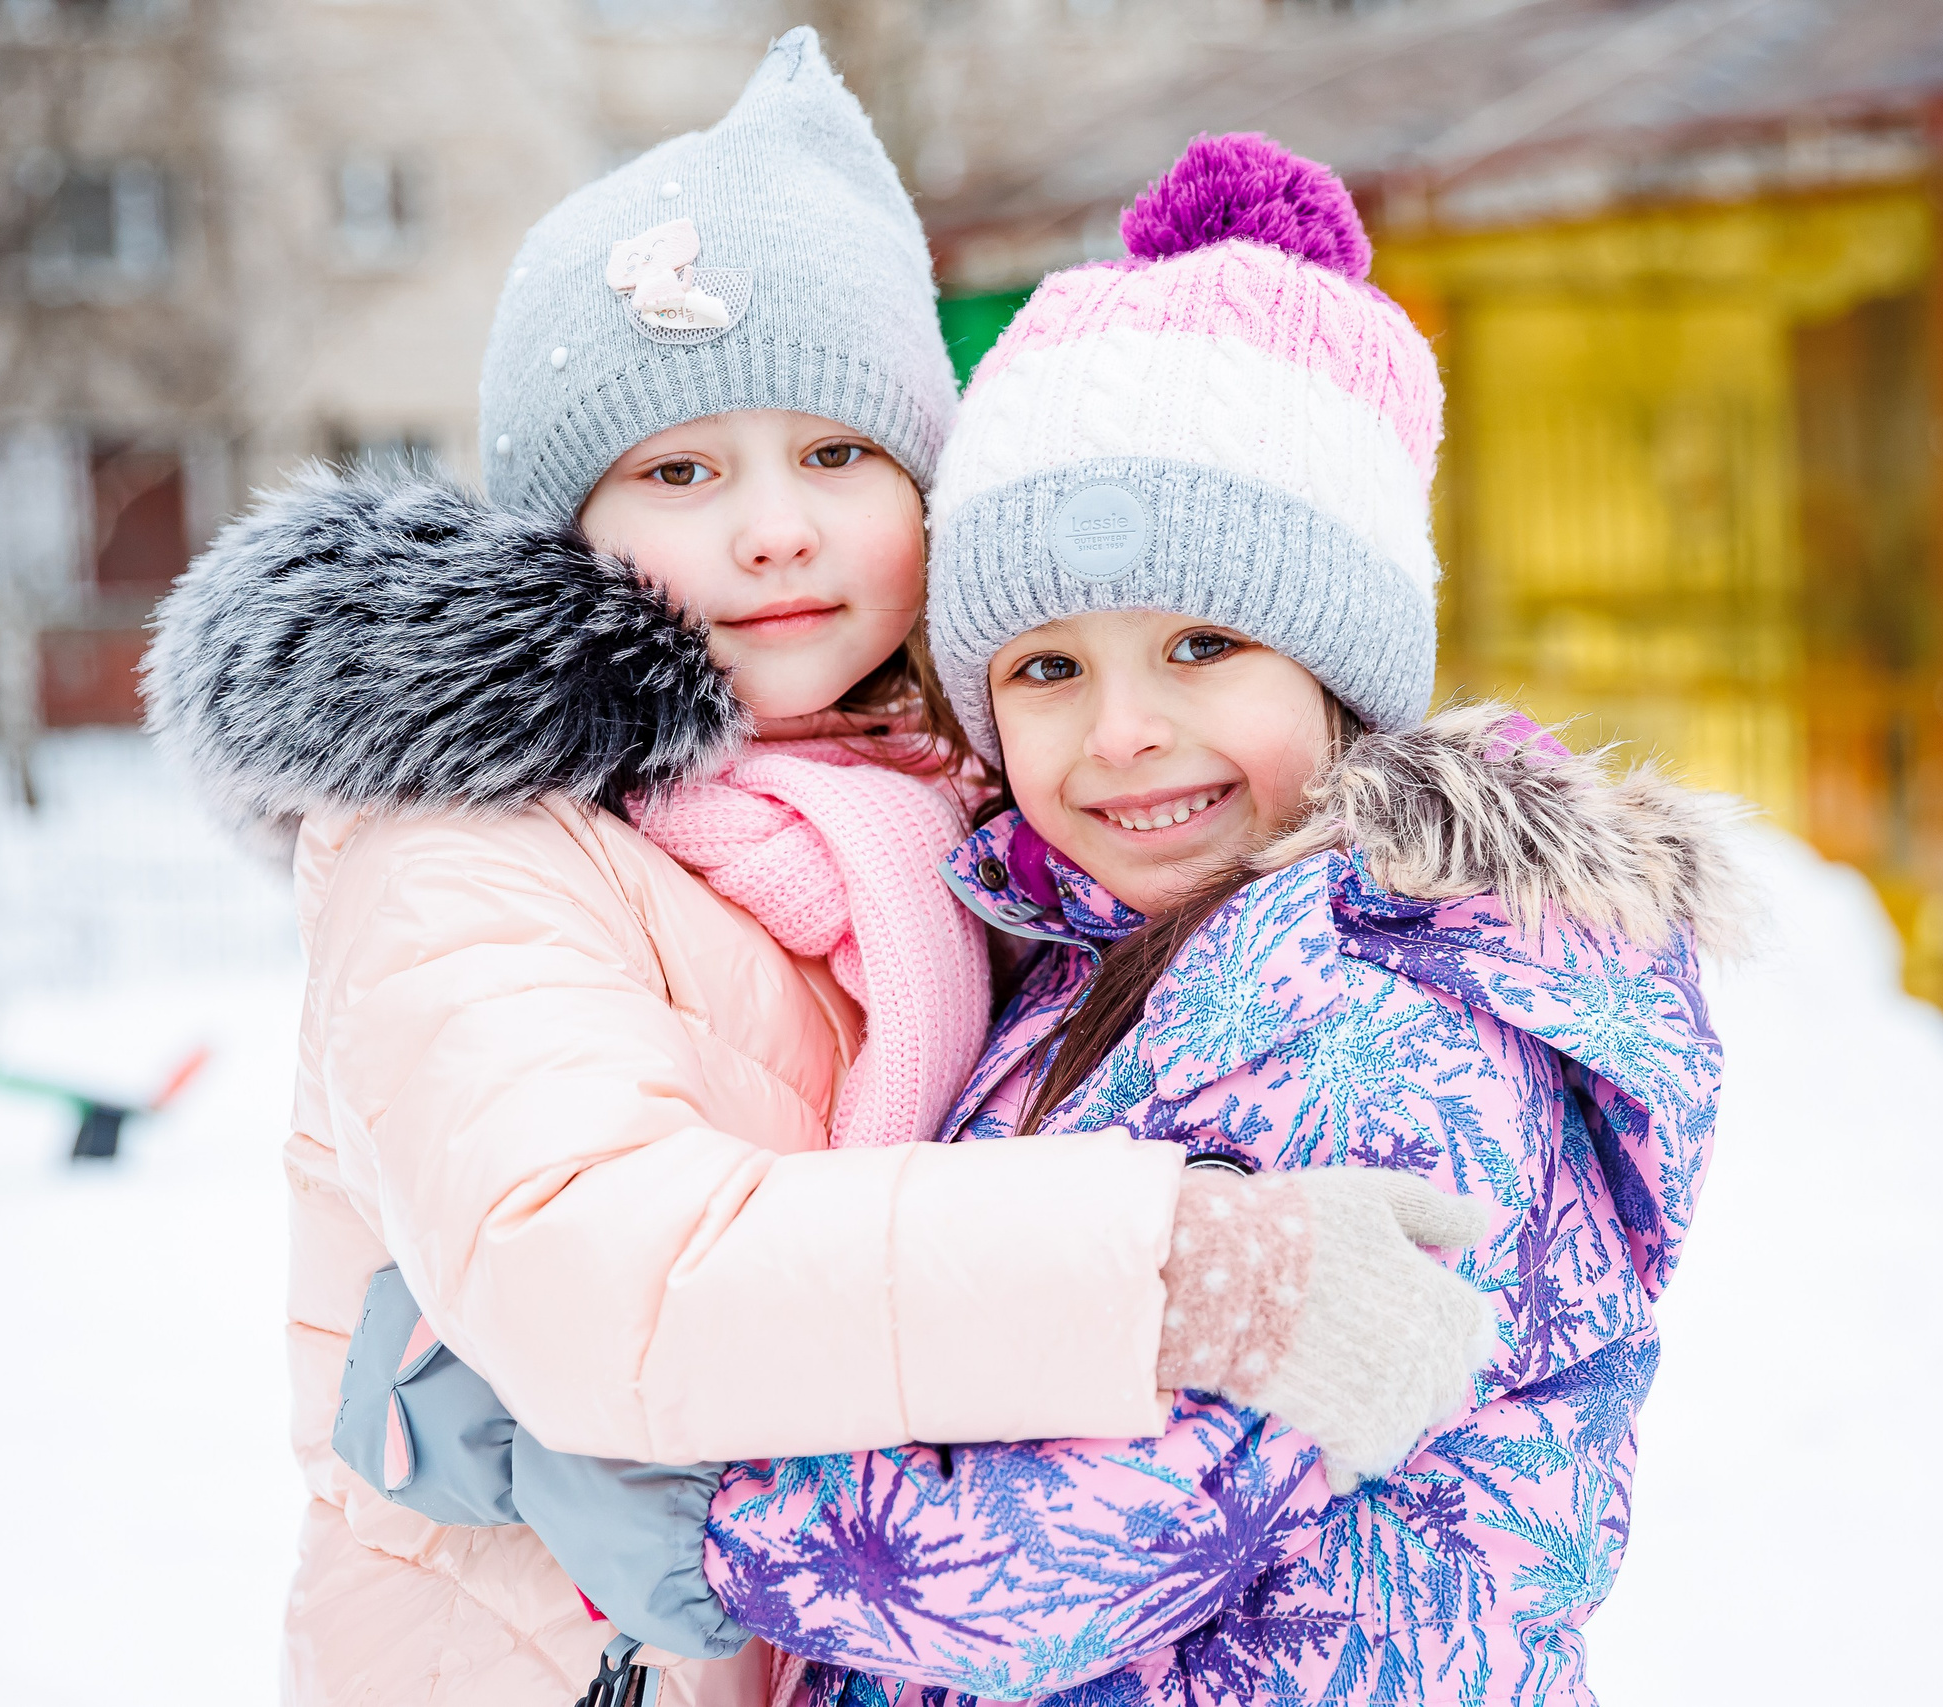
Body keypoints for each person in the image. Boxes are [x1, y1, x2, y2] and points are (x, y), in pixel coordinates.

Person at [143, 43, 1493, 1707]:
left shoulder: (974, 814)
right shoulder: (465, 844)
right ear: (569, 524)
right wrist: (1179, 1270)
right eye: (681, 472)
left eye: (841, 456)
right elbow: (606, 1274)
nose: (774, 530)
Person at [342, 134, 1751, 1707]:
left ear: (1341, 672)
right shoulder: (1088, 944)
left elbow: (1077, 1554)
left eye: (1205, 645)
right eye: (1048, 669)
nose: (1124, 733)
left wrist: (703, 1521)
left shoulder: (1394, 1020)